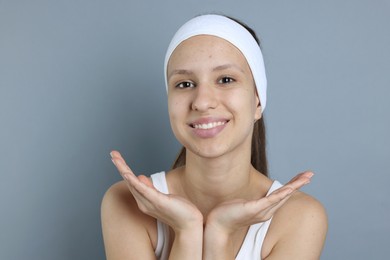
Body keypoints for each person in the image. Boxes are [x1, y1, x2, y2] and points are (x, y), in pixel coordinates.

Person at [101, 14, 327, 260]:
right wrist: (186, 229)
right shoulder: (126, 202)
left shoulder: (301, 217)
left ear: (257, 101)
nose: (202, 102)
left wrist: (220, 232)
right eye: (185, 84)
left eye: (226, 79)